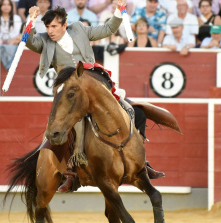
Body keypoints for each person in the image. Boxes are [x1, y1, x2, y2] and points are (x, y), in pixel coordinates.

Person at [26, 4, 165, 192]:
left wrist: (118, 10)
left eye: (54, 27)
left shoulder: (80, 30)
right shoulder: (44, 41)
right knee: (73, 128)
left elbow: (108, 29)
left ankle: (141, 162)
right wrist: (31, 21)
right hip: (71, 95)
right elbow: (29, 42)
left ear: (64, 25)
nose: (50, 31)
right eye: (48, 27)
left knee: (135, 112)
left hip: (95, 86)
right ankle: (71, 173)